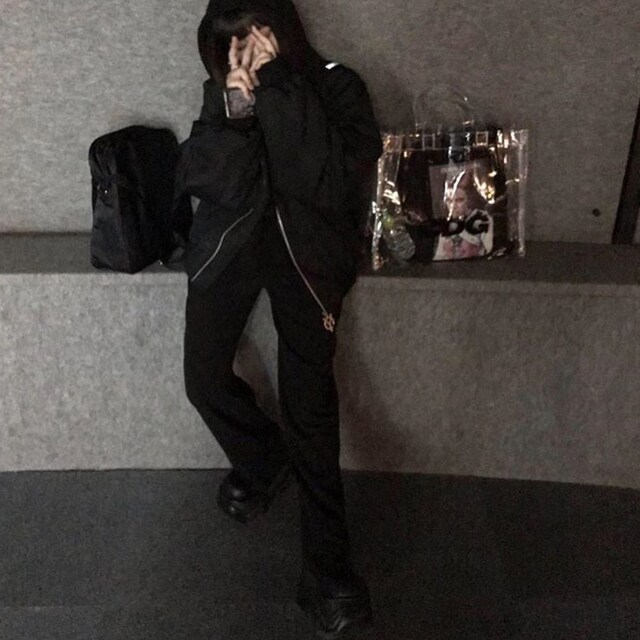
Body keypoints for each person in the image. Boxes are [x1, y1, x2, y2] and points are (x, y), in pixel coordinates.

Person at [175, 0, 383, 636]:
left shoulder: (338, 85)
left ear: (284, 32)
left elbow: (327, 183)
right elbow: (206, 179)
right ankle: (265, 460)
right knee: (203, 378)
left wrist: (280, 90)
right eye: (229, 43)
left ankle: (329, 574)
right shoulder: (223, 92)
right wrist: (235, 110)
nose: (243, 52)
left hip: (307, 255)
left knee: (310, 408)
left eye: (255, 37)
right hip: (231, 244)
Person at [434, 169, 494, 260]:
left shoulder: (482, 218)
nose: (453, 206)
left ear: (468, 200)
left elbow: (489, 252)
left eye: (459, 200)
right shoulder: (446, 223)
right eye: (449, 200)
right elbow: (439, 257)